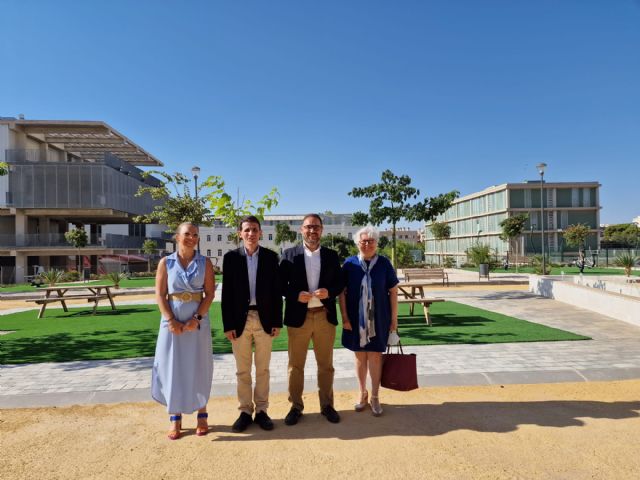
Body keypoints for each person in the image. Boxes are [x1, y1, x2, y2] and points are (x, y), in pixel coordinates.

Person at [151, 222, 216, 440]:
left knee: (199, 365)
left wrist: (196, 319)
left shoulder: (205, 262)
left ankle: (202, 415)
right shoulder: (165, 263)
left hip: (198, 322)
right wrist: (171, 320)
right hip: (171, 322)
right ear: (177, 237)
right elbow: (160, 294)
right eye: (187, 234)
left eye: (195, 235)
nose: (191, 238)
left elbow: (209, 294)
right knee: (172, 366)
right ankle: (175, 417)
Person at [279, 213, 344, 425]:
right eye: (308, 227)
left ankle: (327, 405)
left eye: (316, 227)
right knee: (295, 366)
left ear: (321, 230)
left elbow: (340, 283)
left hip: (324, 316)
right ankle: (295, 406)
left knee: (326, 365)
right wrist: (295, 295)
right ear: (301, 230)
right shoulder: (289, 255)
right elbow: (280, 285)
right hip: (299, 318)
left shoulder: (331, 256)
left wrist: (329, 292)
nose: (312, 230)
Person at [222, 215, 282, 432]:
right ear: (240, 233)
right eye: (247, 230)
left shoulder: (271, 257)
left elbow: (276, 292)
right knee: (243, 370)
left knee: (263, 369)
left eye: (254, 229)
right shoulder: (230, 258)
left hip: (264, 319)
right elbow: (227, 294)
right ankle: (245, 411)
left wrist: (277, 321)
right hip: (240, 321)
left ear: (260, 233)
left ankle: (262, 411)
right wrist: (228, 324)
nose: (251, 233)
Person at [339, 225, 398, 417]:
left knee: (375, 356)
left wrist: (394, 319)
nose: (367, 244)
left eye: (371, 241)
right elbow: (341, 293)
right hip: (355, 319)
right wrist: (344, 317)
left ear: (376, 243)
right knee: (359, 356)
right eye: (363, 241)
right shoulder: (349, 264)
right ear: (357, 243)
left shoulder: (384, 264)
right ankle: (362, 393)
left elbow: (393, 292)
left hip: (379, 318)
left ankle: (374, 396)